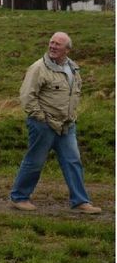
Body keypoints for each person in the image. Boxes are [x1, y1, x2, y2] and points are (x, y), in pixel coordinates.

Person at [10, 30, 101, 213]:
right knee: (35, 161)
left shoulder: (73, 68)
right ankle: (19, 198)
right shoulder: (38, 68)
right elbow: (27, 96)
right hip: (43, 125)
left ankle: (81, 202)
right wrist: (41, 119)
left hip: (66, 126)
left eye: (57, 44)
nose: (52, 46)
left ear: (67, 49)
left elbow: (75, 92)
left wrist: (71, 117)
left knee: (73, 161)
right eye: (51, 43)